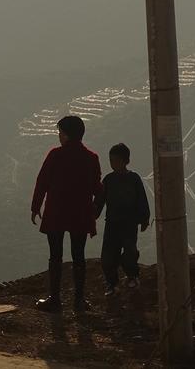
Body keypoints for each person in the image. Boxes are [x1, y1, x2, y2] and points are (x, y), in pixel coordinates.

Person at [30, 115, 101, 314]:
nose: (59, 136)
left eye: (60, 132)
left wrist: (36, 206)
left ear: (67, 134)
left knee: (55, 255)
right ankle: (79, 300)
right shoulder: (91, 158)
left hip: (56, 212)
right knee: (79, 256)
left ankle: (55, 299)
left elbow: (42, 181)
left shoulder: (55, 155)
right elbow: (98, 188)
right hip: (80, 213)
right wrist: (95, 210)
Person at [94, 142, 150, 297]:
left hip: (129, 223)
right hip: (112, 223)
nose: (113, 164)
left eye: (116, 160)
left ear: (126, 161)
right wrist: (93, 215)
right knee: (108, 256)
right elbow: (100, 201)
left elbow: (141, 200)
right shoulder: (108, 180)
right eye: (111, 160)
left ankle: (132, 276)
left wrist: (144, 219)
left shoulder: (134, 179)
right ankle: (111, 283)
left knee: (130, 252)